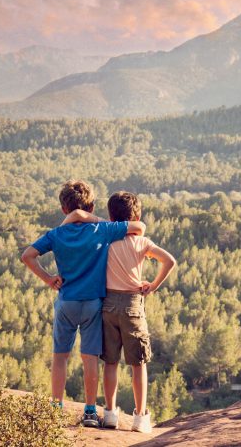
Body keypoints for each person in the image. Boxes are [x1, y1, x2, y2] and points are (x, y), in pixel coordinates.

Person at [20, 180, 145, 427]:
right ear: (92, 206)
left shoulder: (56, 234)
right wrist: (92, 218)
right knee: (90, 358)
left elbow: (27, 256)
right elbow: (138, 227)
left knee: (60, 357)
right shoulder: (102, 230)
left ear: (63, 209)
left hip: (66, 301)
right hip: (92, 304)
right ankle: (89, 411)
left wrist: (48, 278)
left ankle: (55, 408)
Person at [64, 191, 176, 433]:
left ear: (111, 215)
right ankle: (140, 418)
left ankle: (110, 414)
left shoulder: (105, 239)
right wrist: (153, 285)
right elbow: (169, 261)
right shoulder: (142, 243)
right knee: (138, 364)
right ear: (136, 216)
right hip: (133, 304)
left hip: (107, 304)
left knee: (111, 362)